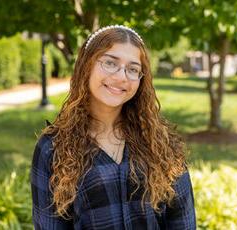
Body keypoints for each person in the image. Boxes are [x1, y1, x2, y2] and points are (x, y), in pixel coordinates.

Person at [30, 25, 196, 230]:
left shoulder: (161, 143)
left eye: (133, 69)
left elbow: (182, 221)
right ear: (86, 65)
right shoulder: (53, 147)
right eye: (110, 63)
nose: (121, 76)